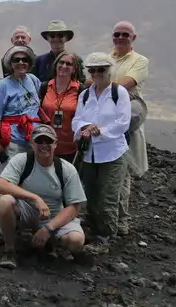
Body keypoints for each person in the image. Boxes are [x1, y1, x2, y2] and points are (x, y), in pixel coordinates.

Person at [0, 125, 87, 269]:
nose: (44, 145)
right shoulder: (22, 160)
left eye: (48, 141)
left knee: (76, 241)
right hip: (27, 210)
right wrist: (35, 198)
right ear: (32, 143)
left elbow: (75, 207)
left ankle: (50, 242)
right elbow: (2, 185)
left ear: (55, 144)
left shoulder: (66, 169)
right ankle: (9, 250)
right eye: (39, 141)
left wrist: (48, 228)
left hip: (54, 215)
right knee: (5, 201)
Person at [72, 52, 131, 254]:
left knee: (109, 195)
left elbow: (123, 122)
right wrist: (86, 127)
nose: (97, 73)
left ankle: (104, 236)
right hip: (90, 153)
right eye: (93, 70)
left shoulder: (119, 93)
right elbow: (77, 120)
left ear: (109, 71)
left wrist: (100, 131)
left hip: (113, 153)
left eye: (101, 70)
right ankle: (94, 228)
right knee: (91, 192)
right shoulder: (85, 94)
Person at [0, 45, 42, 232]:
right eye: (16, 60)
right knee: (6, 178)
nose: (21, 63)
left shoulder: (34, 81)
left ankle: (22, 215)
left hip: (32, 138)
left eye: (24, 60)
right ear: (10, 64)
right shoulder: (4, 85)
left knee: (28, 178)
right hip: (11, 138)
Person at [109, 21, 149, 236]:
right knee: (105, 171)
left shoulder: (140, 61)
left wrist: (99, 85)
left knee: (122, 172)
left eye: (126, 34)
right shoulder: (108, 58)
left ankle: (121, 220)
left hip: (127, 122)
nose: (121, 37)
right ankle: (103, 216)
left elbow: (127, 83)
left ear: (133, 38)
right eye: (117, 34)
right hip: (105, 121)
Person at [39, 51, 86, 163]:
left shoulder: (81, 91)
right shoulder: (44, 87)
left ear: (74, 69)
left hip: (71, 148)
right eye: (61, 62)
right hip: (45, 145)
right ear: (55, 65)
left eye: (69, 64)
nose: (64, 66)